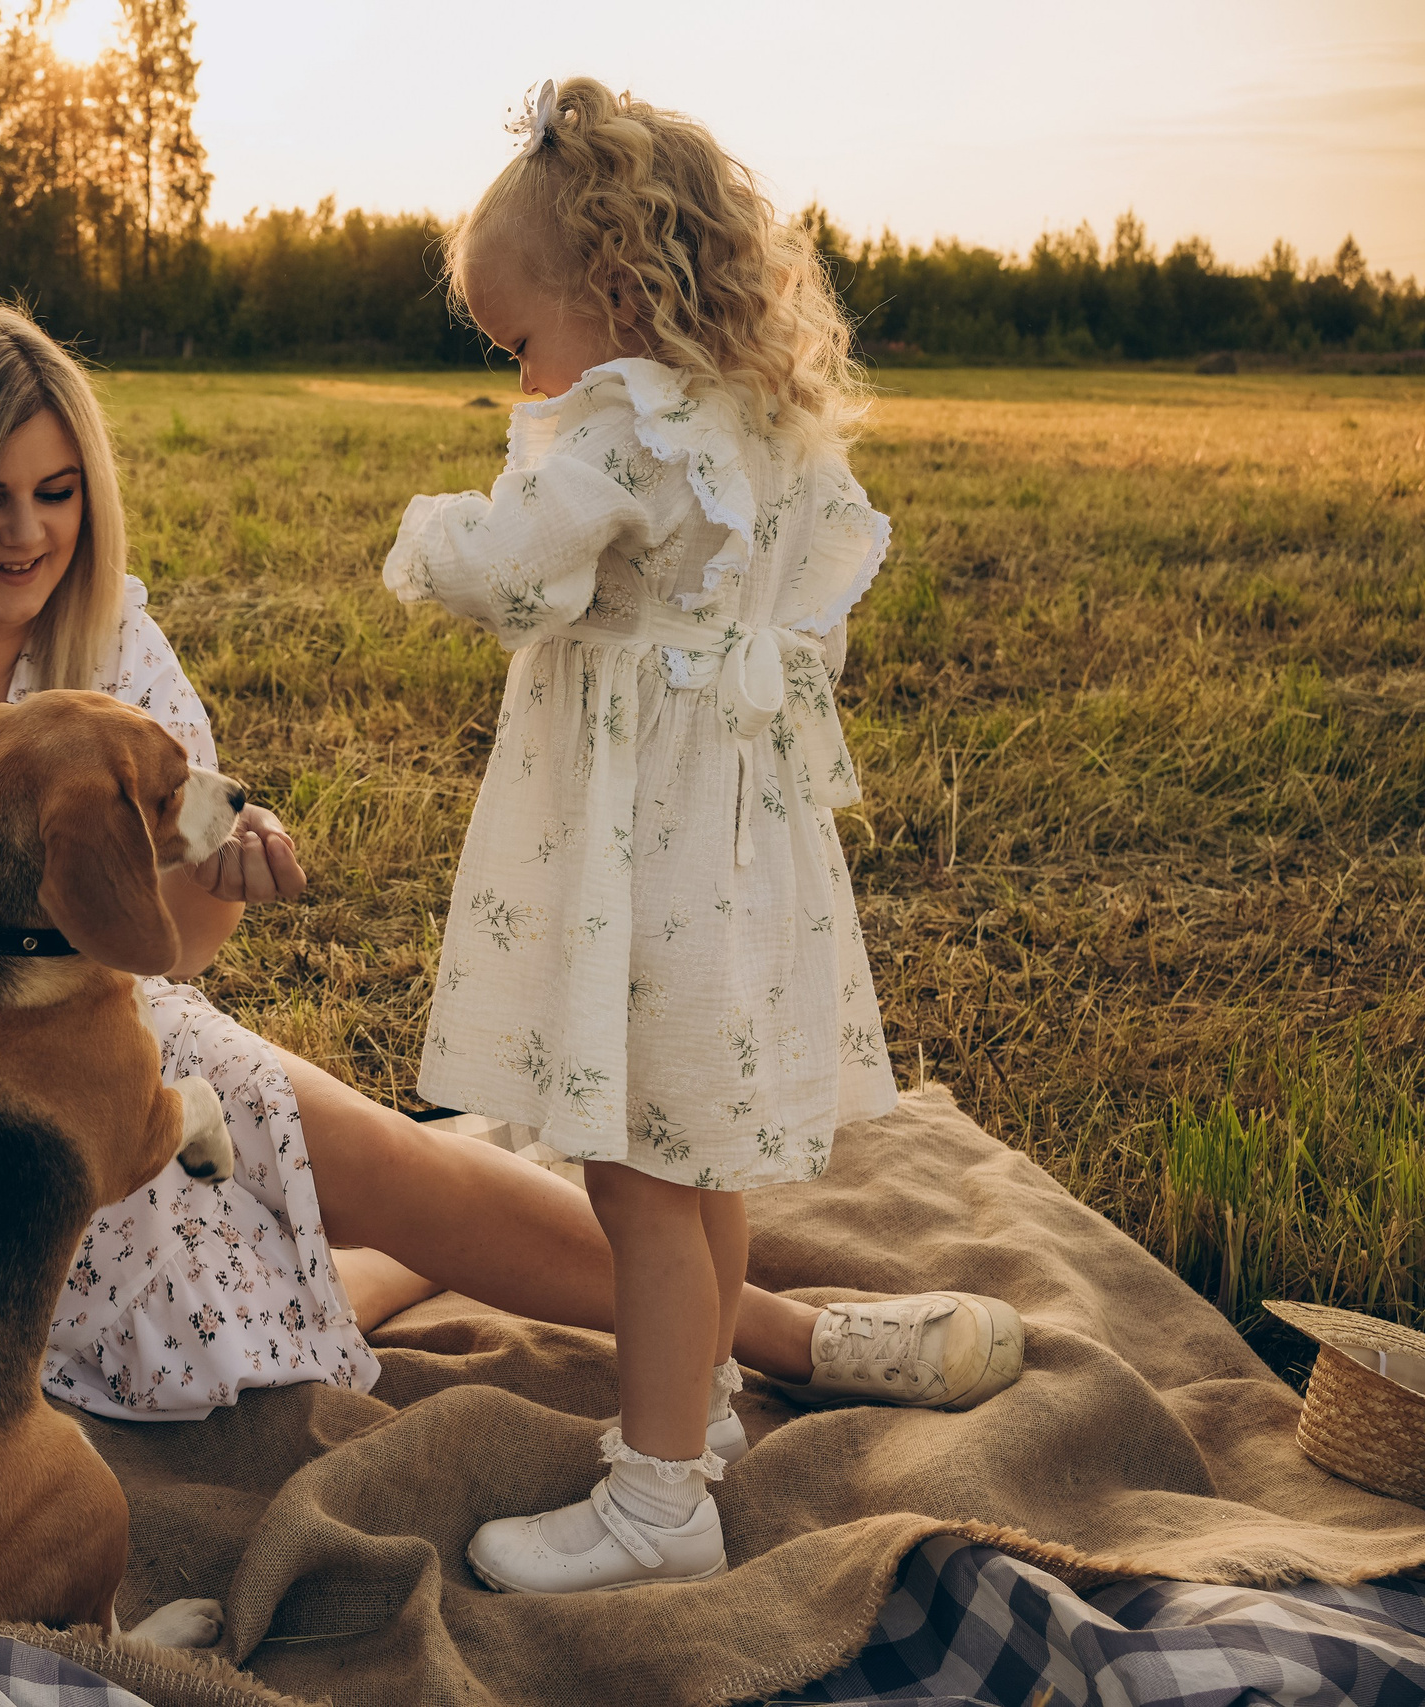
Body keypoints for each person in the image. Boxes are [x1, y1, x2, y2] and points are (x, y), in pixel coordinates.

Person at [0, 296, 1017, 1448]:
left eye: (56, 493)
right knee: (204, 1362)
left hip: (103, 1039)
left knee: (336, 1142)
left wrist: (224, 879)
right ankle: (397, 1247)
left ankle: (796, 1334)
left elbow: (166, 956)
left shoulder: (106, 632)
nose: (27, 534)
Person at [380, 79, 1019, 1595]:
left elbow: (519, 580)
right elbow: (815, 599)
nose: (517, 382)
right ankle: (706, 1408)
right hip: (728, 839)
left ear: (609, 297)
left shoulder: (614, 426)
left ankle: (659, 1501)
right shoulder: (753, 427)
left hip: (638, 853)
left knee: (641, 1183)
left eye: (515, 343)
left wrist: (427, 536)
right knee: (698, 1154)